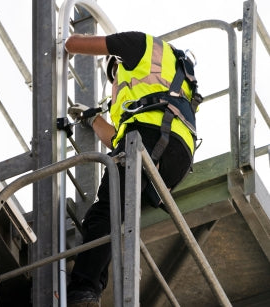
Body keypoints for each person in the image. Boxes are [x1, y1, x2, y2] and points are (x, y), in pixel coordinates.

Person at [64, 31, 202, 306]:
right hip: (175, 153)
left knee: (104, 212)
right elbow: (116, 137)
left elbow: (72, 44)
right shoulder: (168, 77)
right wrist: (92, 120)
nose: (115, 86)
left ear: (118, 63)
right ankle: (88, 290)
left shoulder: (138, 45)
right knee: (115, 214)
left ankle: (83, 291)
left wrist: (59, 40)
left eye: (114, 78)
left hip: (151, 138)